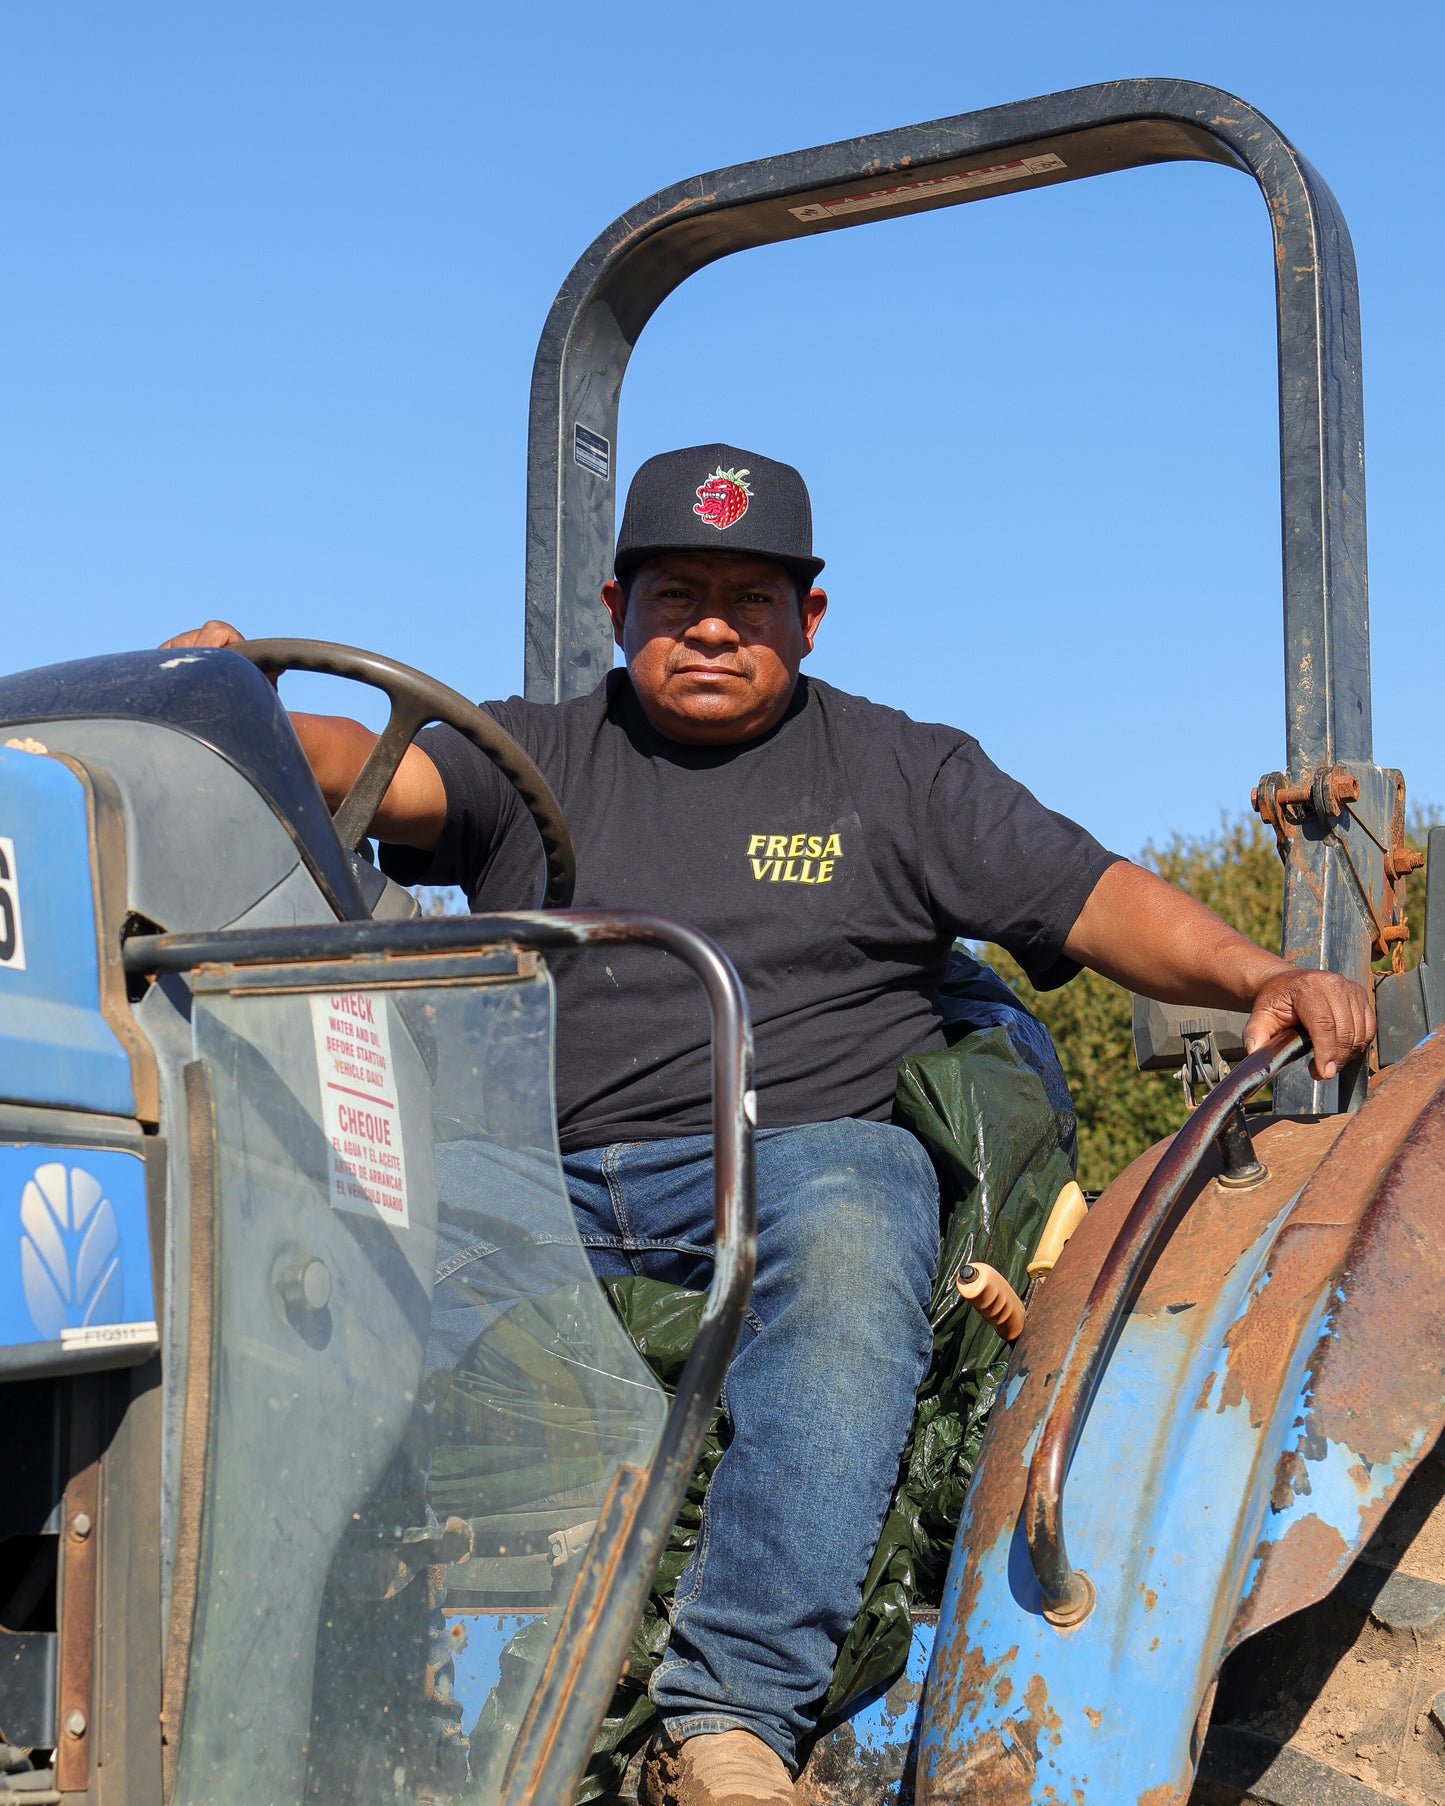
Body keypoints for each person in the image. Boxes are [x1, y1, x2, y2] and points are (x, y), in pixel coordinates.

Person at [164, 443, 1373, 1806]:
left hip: (780, 1162)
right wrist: (234, 715)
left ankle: (730, 1708)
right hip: (522, 1178)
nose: (712, 627)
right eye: (679, 594)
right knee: (274, 1217)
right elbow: (367, 771)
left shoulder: (899, 773)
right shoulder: (538, 754)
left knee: (861, 1199)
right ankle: (250, 1666)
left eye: (751, 599)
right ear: (619, 607)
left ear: (807, 616)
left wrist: (1256, 971)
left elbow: (1090, 896)